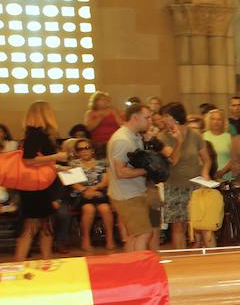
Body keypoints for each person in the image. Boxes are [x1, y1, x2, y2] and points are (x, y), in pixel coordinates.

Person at [14, 101, 68, 261]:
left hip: (40, 187)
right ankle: (19, 264)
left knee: (46, 226)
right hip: (35, 189)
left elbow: (39, 162)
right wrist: (57, 157)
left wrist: (58, 167)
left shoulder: (35, 134)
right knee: (31, 227)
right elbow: (29, 160)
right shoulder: (36, 134)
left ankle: (46, 260)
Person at [107, 103, 155, 252]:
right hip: (126, 195)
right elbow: (120, 172)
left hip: (133, 192)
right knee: (144, 233)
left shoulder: (134, 136)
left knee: (135, 235)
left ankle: (130, 268)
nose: (150, 121)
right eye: (147, 118)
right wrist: (147, 169)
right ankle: (139, 269)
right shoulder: (122, 140)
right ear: (135, 117)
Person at [159, 103, 208, 250]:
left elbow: (207, 159)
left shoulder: (195, 136)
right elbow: (173, 160)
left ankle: (200, 254)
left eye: (166, 117)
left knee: (198, 223)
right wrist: (179, 142)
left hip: (194, 185)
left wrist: (205, 173)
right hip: (174, 186)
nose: (163, 120)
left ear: (175, 118)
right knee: (178, 226)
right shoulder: (162, 137)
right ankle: (181, 255)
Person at [67, 136, 116, 253]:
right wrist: (85, 191)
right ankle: (86, 240)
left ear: (92, 150)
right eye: (80, 149)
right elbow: (73, 183)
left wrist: (94, 189)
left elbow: (106, 180)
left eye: (86, 148)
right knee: (88, 209)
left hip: (99, 193)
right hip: (80, 196)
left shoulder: (102, 163)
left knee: (105, 208)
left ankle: (110, 238)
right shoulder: (73, 164)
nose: (84, 151)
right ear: (77, 152)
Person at [203, 109, 235, 182]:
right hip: (207, 177)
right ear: (209, 121)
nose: (216, 122)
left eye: (219, 119)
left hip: (225, 177)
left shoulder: (229, 137)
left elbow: (234, 158)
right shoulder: (203, 136)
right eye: (213, 119)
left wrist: (223, 171)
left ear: (223, 122)